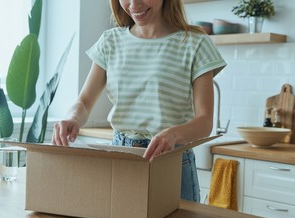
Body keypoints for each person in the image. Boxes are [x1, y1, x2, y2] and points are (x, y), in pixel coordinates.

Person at [52, 0, 226, 202]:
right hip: (121, 156)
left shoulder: (195, 43)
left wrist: (172, 134)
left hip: (170, 160)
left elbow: (204, 122)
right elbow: (84, 102)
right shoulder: (110, 41)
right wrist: (72, 119)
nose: (133, 4)